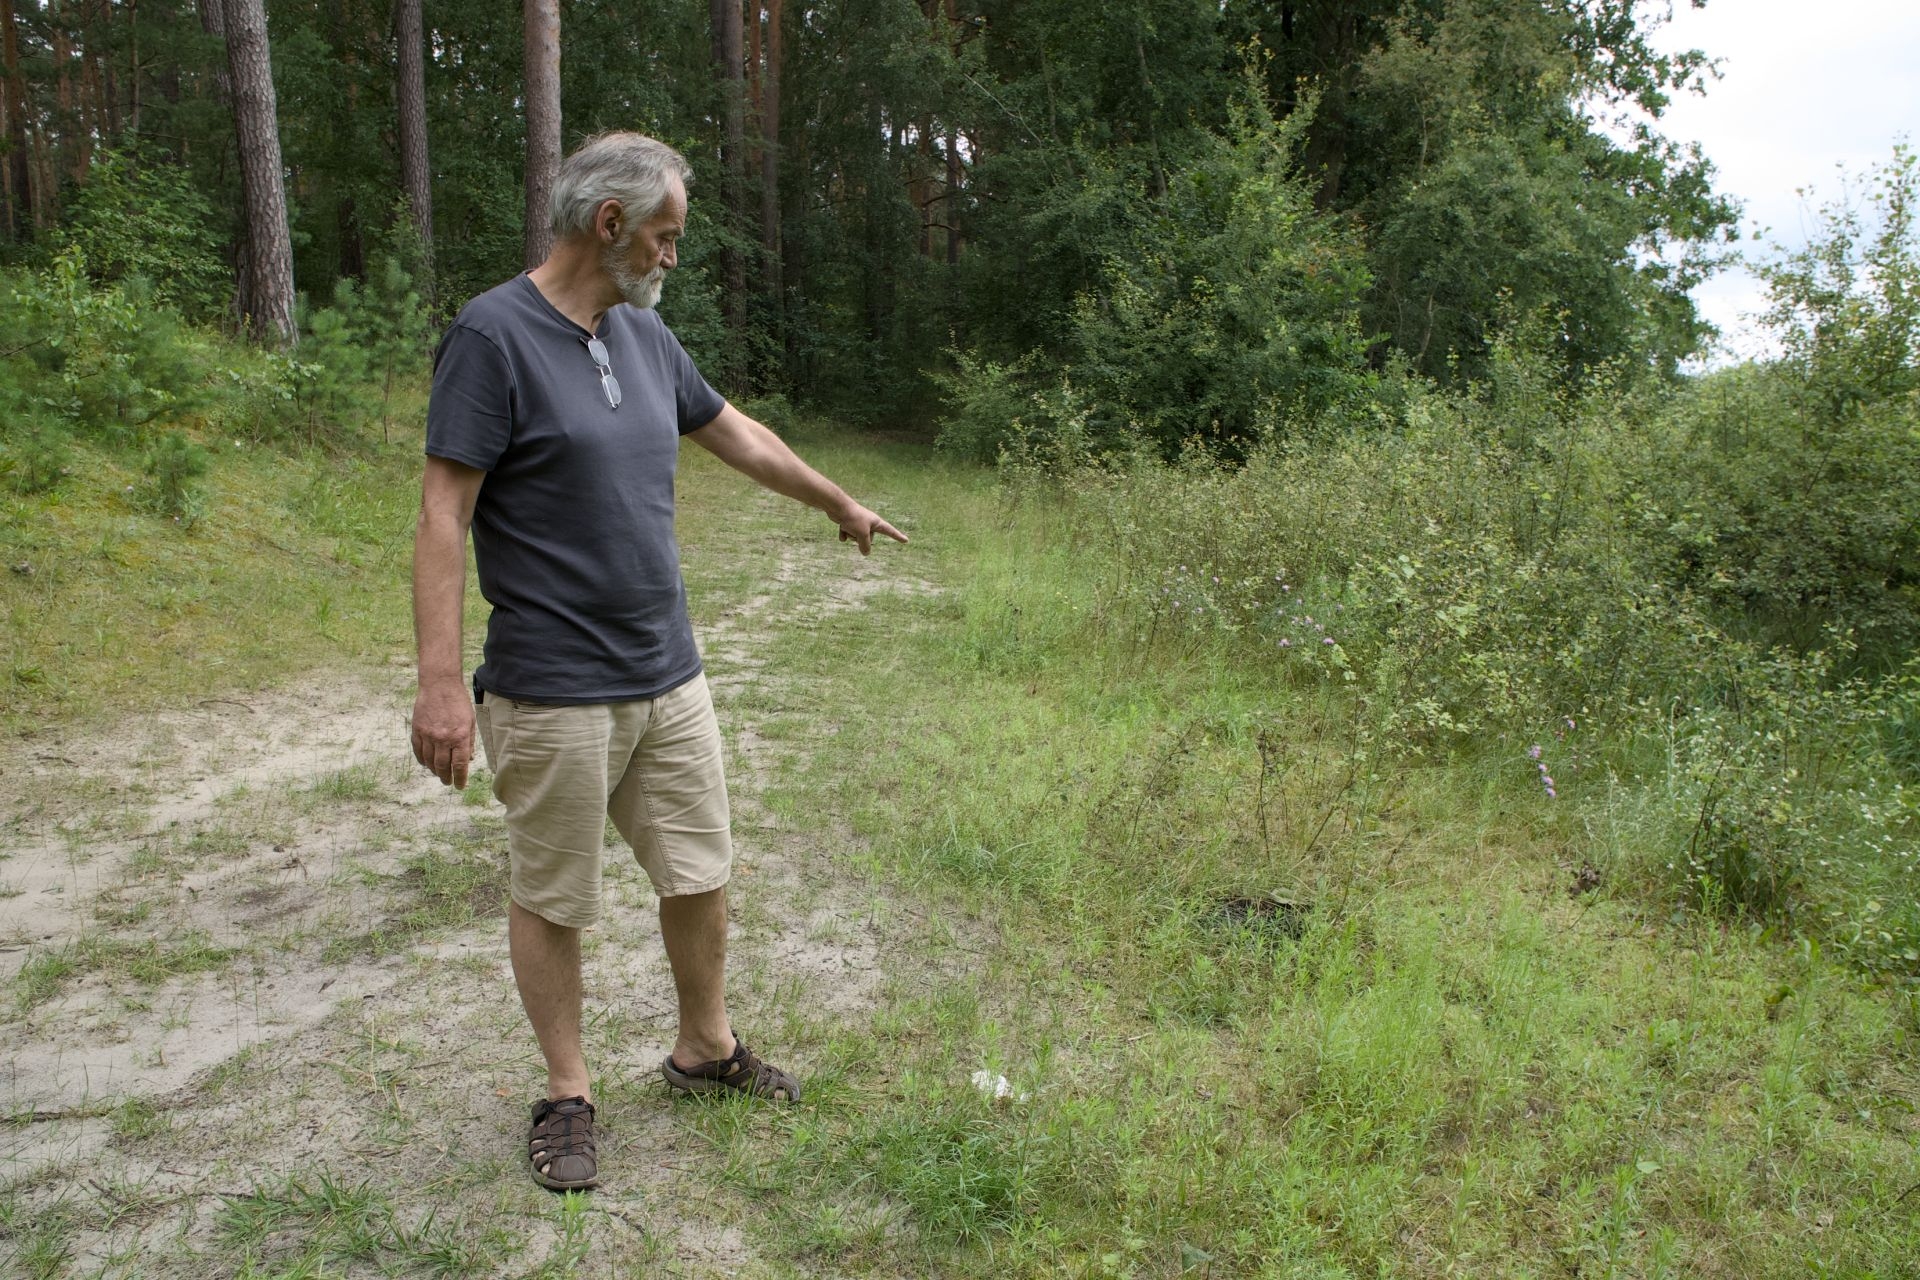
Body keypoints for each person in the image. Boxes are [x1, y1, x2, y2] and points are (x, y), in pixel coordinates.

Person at [407, 132, 906, 1192]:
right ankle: (567, 1090)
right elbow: (444, 511)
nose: (673, 257)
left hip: (666, 672)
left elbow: (737, 433)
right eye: (667, 236)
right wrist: (442, 680)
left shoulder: (639, 336)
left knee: (701, 869)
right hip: (551, 684)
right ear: (610, 225)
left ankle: (704, 1048)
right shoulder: (493, 336)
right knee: (555, 894)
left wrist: (838, 501)